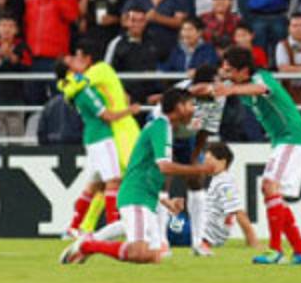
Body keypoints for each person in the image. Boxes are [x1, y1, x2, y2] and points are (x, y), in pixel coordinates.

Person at [60, 87, 217, 265]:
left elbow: (150, 170)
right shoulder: (161, 126)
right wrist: (201, 169)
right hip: (136, 196)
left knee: (154, 256)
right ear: (179, 107)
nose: (194, 109)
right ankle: (88, 246)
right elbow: (164, 167)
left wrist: (165, 201)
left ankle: (92, 240)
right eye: (190, 105)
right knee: (139, 253)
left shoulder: (163, 127)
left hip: (144, 197)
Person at [216, 46, 301, 265]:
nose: (226, 74)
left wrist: (230, 90)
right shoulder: (239, 84)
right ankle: (300, 252)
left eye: (230, 70)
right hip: (283, 141)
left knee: (270, 186)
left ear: (244, 70)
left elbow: (260, 88)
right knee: (272, 192)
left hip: (293, 137)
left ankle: (275, 250)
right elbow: (215, 87)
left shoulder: (261, 77)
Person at [55, 55, 139, 238]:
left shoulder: (74, 89)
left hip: (91, 138)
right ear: (70, 69)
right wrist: (129, 111)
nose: (79, 59)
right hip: (102, 138)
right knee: (113, 180)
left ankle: (73, 227)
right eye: (73, 59)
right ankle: (113, 227)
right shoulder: (85, 91)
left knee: (94, 184)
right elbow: (107, 116)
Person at [195, 142, 260, 255]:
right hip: (205, 233)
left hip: (205, 234)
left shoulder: (224, 183)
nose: (204, 163)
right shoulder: (219, 180)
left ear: (223, 162)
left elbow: (238, 212)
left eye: (208, 159)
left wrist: (253, 241)